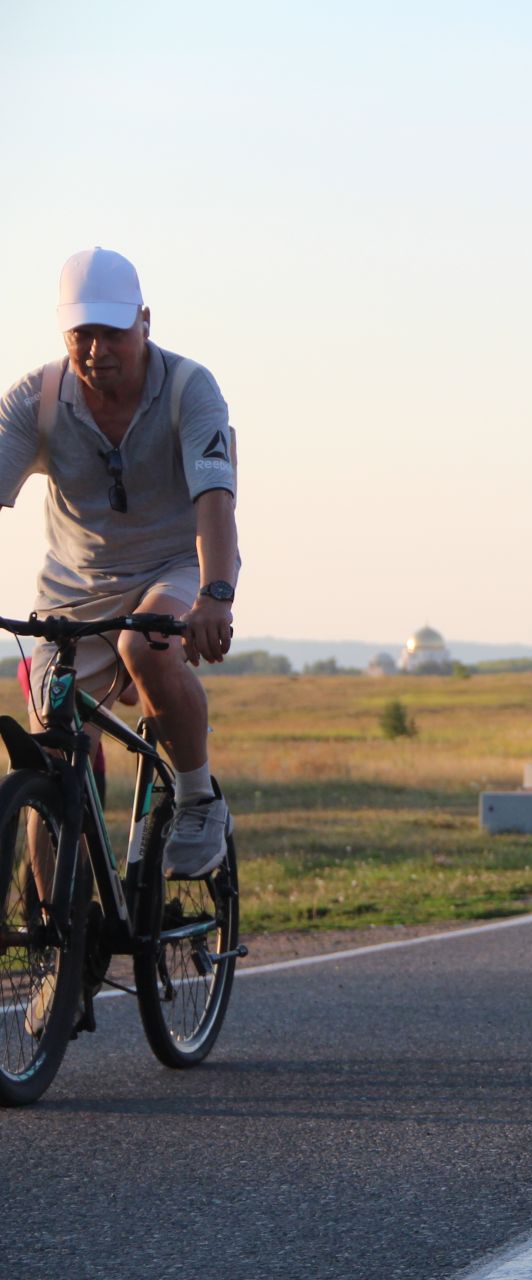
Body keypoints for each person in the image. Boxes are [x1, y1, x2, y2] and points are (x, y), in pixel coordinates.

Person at [0, 249, 239, 1036]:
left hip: (175, 567)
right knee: (46, 752)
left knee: (147, 647)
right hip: (71, 592)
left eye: (111, 332)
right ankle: (63, 954)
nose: (97, 350)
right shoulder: (36, 401)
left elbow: (213, 499)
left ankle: (198, 797)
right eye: (80, 336)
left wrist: (213, 593)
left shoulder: (188, 389)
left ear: (144, 321)